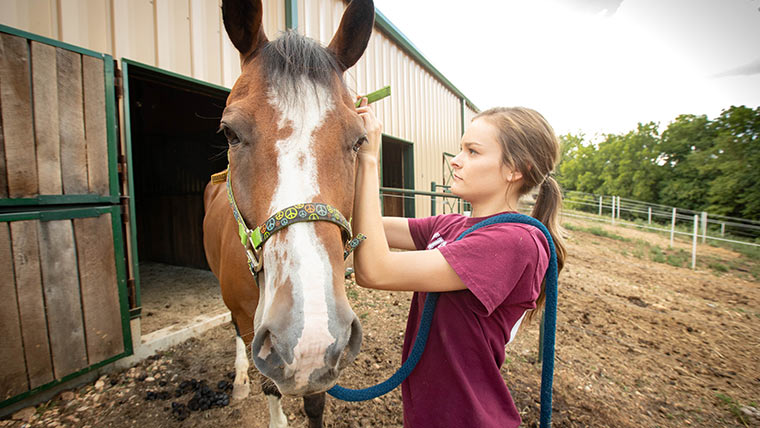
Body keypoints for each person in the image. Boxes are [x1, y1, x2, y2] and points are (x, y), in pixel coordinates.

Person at [351, 98, 567, 427]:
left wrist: (368, 159)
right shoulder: (451, 225)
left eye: (473, 151)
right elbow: (366, 226)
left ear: (515, 169)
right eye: (460, 149)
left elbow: (374, 270)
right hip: (431, 414)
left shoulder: (515, 241)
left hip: (466, 419)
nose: (456, 161)